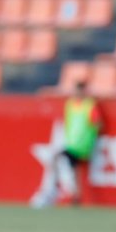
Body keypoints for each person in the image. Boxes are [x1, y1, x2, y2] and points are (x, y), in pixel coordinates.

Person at [30, 80, 102, 208]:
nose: (79, 93)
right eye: (77, 90)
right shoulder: (70, 105)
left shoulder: (89, 106)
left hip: (83, 145)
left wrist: (88, 137)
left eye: (81, 90)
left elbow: (97, 123)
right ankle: (75, 195)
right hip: (72, 144)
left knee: (58, 158)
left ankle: (54, 190)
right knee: (72, 168)